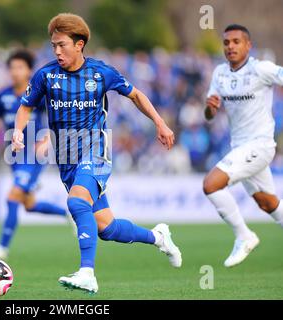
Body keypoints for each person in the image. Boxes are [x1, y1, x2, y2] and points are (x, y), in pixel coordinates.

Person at [11, 13, 182, 294]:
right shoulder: (45, 75)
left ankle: (87, 273)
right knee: (106, 228)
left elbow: (136, 95)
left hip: (96, 151)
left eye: (62, 45)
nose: (56, 51)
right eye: (53, 45)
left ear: (79, 44)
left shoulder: (101, 73)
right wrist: (18, 131)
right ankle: (158, 237)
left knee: (77, 202)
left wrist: (160, 123)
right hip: (67, 159)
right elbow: (26, 106)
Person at [203, 24, 283, 267]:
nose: (231, 46)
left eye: (237, 42)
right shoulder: (219, 73)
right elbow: (208, 115)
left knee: (211, 185)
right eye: (227, 42)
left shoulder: (262, 69)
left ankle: (244, 236)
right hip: (240, 147)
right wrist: (211, 107)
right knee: (268, 203)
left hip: (260, 145)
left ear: (248, 45)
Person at [0, 49, 68, 260]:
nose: (15, 72)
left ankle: (2, 247)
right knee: (29, 205)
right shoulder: (4, 95)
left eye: (20, 67)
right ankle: (69, 214)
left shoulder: (39, 94)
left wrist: (47, 140)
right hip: (15, 155)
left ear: (29, 70)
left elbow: (57, 118)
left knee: (12, 197)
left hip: (34, 154)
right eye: (12, 68)